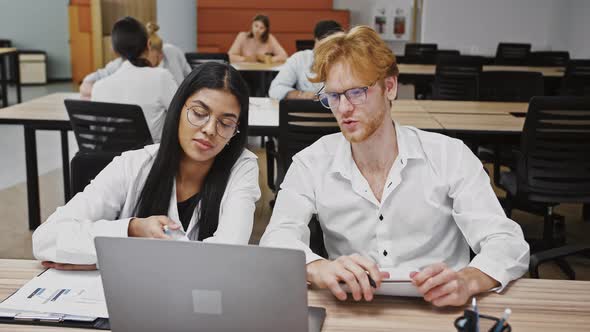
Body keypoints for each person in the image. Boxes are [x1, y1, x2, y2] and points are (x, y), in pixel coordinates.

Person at [260, 26, 529, 307]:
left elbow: (507, 241)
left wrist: (470, 279)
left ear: (389, 87)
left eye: (356, 93)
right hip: (355, 310)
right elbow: (277, 237)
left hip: (440, 309)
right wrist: (317, 267)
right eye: (334, 97)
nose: (344, 109)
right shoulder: (311, 162)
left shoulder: (450, 155)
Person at [33, 62, 261, 270]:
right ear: (178, 109)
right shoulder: (133, 164)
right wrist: (133, 229)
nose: (210, 129)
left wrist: (109, 257)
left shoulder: (242, 167)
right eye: (200, 113)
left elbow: (228, 255)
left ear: (236, 130)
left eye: (226, 123)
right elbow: (45, 239)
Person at [90, 17, 178, 143]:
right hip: (152, 160)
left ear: (114, 51)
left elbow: (96, 139)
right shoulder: (162, 77)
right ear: (148, 45)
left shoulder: (98, 88)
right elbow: (182, 116)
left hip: (112, 161)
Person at [79, 20, 191, 96]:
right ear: (145, 49)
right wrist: (104, 92)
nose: (161, 56)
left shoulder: (172, 53)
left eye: (161, 52)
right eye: (156, 54)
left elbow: (192, 80)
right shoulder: (123, 64)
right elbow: (86, 84)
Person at [269, 20, 343, 100]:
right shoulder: (299, 58)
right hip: (304, 109)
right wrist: (302, 95)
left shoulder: (345, 61)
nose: (327, 51)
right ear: (316, 40)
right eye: (325, 45)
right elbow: (275, 89)